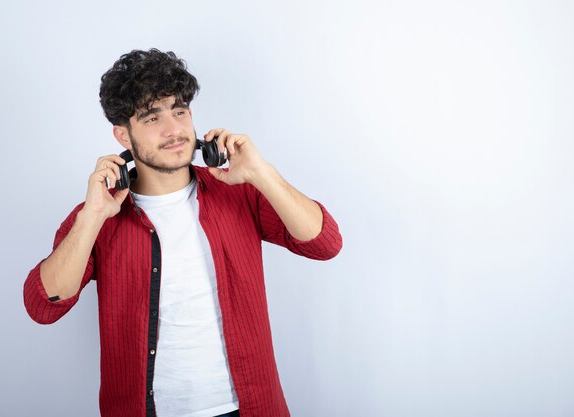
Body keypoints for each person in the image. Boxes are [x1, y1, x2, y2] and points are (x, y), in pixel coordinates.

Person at [23, 48, 342, 417]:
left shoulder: (237, 190)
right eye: (151, 117)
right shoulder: (97, 216)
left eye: (179, 111)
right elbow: (43, 307)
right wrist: (93, 216)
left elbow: (325, 243)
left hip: (250, 407)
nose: (173, 129)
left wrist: (261, 173)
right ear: (122, 136)